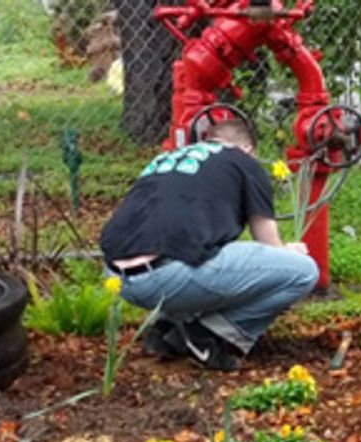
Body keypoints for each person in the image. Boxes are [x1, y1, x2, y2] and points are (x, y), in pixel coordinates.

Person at [99, 118, 319, 372]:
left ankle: (165, 329)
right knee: (303, 271)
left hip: (117, 278)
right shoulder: (243, 161)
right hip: (168, 278)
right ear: (248, 149)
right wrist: (288, 252)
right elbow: (267, 241)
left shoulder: (168, 159)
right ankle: (208, 335)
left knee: (204, 254)